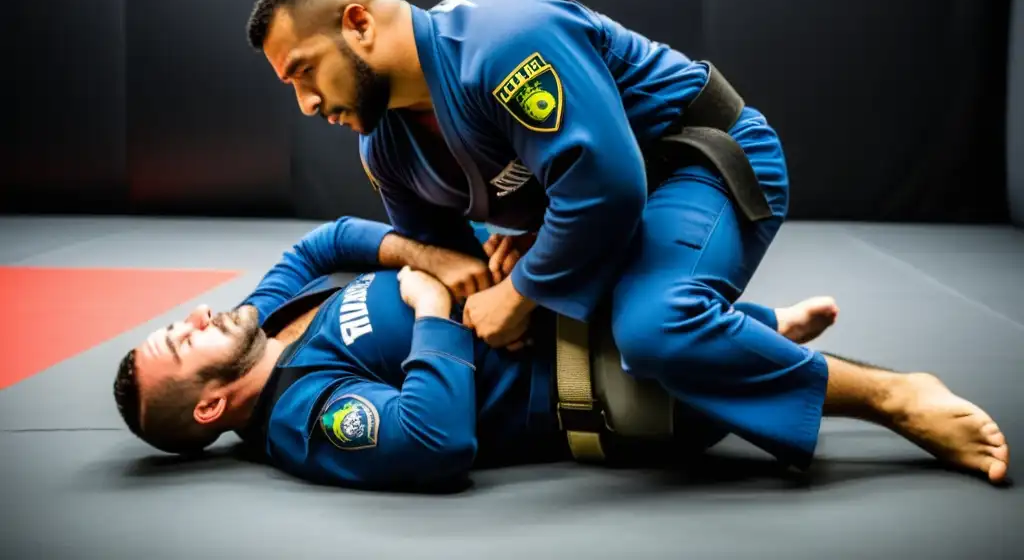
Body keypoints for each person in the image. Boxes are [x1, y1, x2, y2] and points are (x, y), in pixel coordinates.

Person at [243, 0, 1009, 482]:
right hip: (613, 203)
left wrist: (527, 286)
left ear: (359, 24)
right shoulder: (388, 148)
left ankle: (896, 397)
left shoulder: (500, 42)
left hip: (703, 158)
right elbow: (459, 275)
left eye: (304, 72)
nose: (307, 105)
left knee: (654, 330)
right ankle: (744, 336)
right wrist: (487, 262)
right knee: (603, 331)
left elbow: (609, 187)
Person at [113, 217, 1007, 490]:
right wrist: (430, 308)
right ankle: (895, 397)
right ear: (209, 406)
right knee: (678, 352)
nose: (190, 320)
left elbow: (323, 245)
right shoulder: (303, 417)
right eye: (178, 345)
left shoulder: (261, 321)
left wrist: (436, 258)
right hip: (615, 388)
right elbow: (433, 442)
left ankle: (760, 324)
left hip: (577, 309)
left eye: (172, 323)